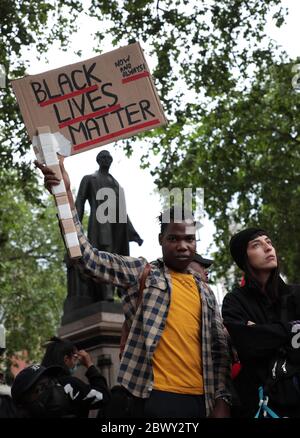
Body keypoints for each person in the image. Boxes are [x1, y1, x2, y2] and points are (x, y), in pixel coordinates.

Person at [35, 156, 231, 418]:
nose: (183, 245)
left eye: (189, 239)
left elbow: (218, 352)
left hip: (200, 402)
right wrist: (63, 196)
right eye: (174, 238)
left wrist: (222, 399)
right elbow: (86, 257)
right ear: (161, 240)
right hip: (151, 398)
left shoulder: (206, 292)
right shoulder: (143, 273)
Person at [222, 228, 300, 417]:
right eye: (256, 245)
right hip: (260, 406)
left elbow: (257, 340)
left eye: (269, 242)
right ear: (244, 258)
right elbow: (248, 345)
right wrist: (293, 329)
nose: (268, 248)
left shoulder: (297, 294)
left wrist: (260, 331)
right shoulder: (234, 301)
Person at [65, 149, 143, 304]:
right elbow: (79, 203)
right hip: (100, 226)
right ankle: (106, 294)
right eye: (103, 157)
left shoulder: (116, 185)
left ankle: (115, 292)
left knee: (117, 258)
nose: (107, 160)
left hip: (117, 229)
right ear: (98, 160)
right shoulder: (89, 179)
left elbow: (122, 212)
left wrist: (133, 233)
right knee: (103, 257)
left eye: (109, 157)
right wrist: (72, 228)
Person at [40, 336, 110, 417]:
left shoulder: (39, 385)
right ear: (66, 359)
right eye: (75, 358)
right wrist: (90, 365)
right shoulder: (71, 384)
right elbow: (104, 396)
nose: (76, 363)